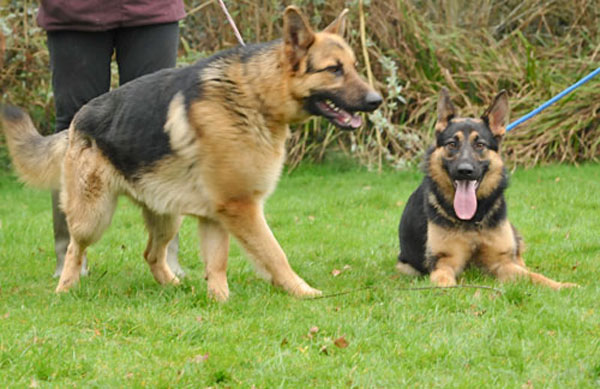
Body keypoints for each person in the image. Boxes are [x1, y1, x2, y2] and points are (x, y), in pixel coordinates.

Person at [37, 0, 187, 278]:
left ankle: (166, 256)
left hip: (151, 9)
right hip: (73, 11)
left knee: (159, 126)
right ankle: (70, 258)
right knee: (72, 126)